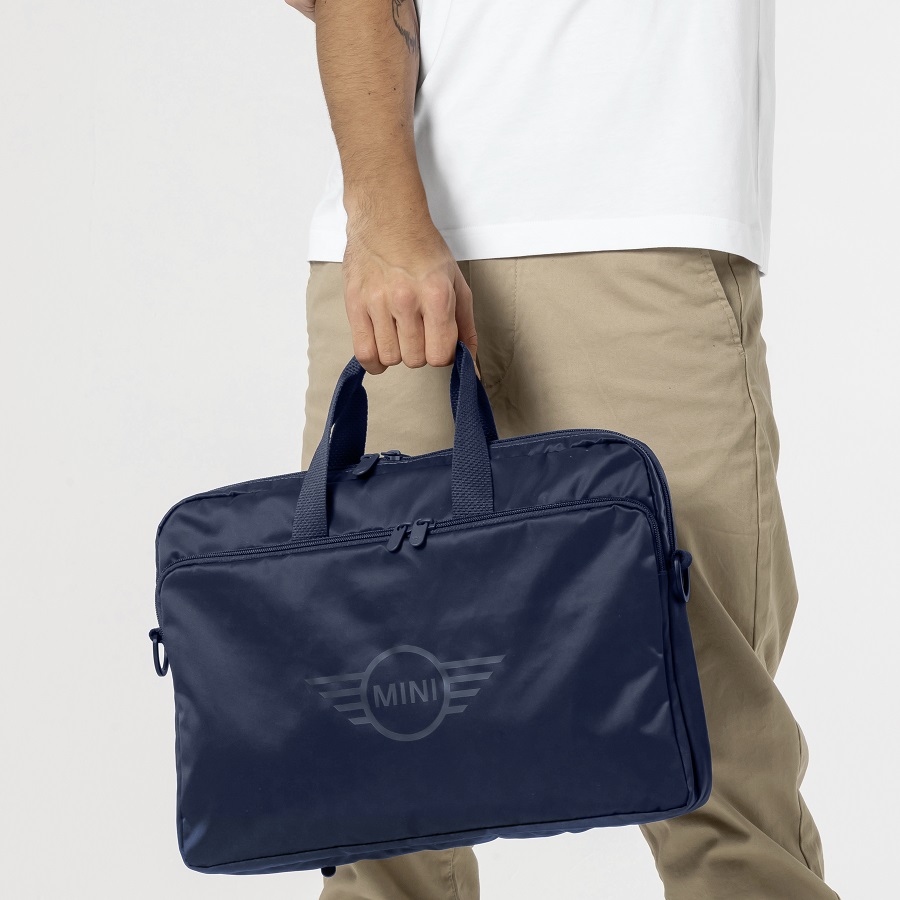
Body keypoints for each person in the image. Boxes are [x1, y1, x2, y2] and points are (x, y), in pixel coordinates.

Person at [286, 1, 840, 898]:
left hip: (650, 223)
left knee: (717, 758)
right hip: (397, 245)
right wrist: (383, 217)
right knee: (378, 763)